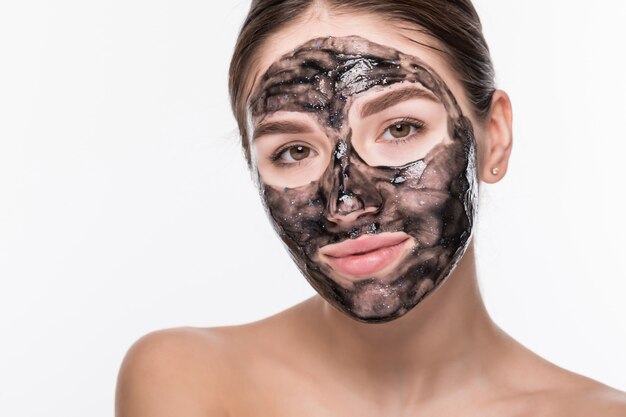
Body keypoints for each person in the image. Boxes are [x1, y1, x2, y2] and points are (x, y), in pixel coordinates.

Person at [115, 1, 626, 415]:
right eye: (294, 151)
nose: (344, 202)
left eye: (399, 128)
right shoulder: (185, 383)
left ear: (495, 138)